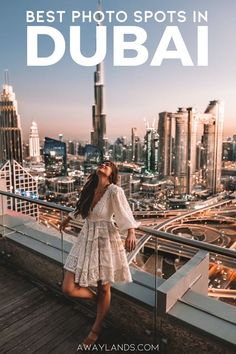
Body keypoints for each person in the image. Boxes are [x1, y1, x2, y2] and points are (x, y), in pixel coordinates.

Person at [60, 160, 140, 346]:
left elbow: (124, 212)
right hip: (85, 238)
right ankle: (101, 304)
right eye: (102, 163)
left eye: (108, 164)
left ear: (112, 173)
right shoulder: (90, 188)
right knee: (68, 288)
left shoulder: (114, 191)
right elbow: (82, 209)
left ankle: (96, 329)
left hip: (105, 239)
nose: (103, 165)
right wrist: (68, 219)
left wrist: (131, 231)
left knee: (105, 287)